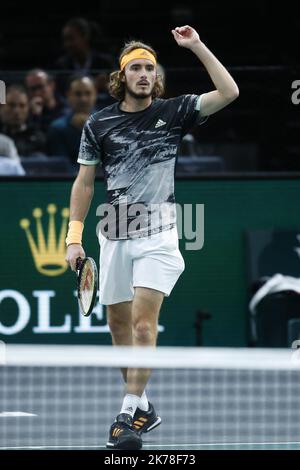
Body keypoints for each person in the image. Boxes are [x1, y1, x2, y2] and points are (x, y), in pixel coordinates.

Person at [65, 25, 239, 450]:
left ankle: (125, 416)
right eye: (136, 68)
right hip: (114, 236)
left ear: (155, 76)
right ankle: (144, 405)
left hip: (158, 234)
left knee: (144, 325)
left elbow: (229, 91)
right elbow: (85, 183)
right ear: (122, 76)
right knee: (118, 326)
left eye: (150, 68)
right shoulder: (99, 123)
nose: (144, 74)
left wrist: (196, 45)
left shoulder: (175, 112)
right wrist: (73, 236)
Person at [47, 76, 97, 165]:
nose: (83, 99)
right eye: (78, 94)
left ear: (95, 95)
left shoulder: (110, 124)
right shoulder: (57, 128)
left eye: (88, 93)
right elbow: (61, 166)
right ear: (68, 96)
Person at [0, 85, 46, 157]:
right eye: (11, 105)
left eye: (22, 106)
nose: (17, 111)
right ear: (1, 107)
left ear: (28, 108)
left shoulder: (38, 138)